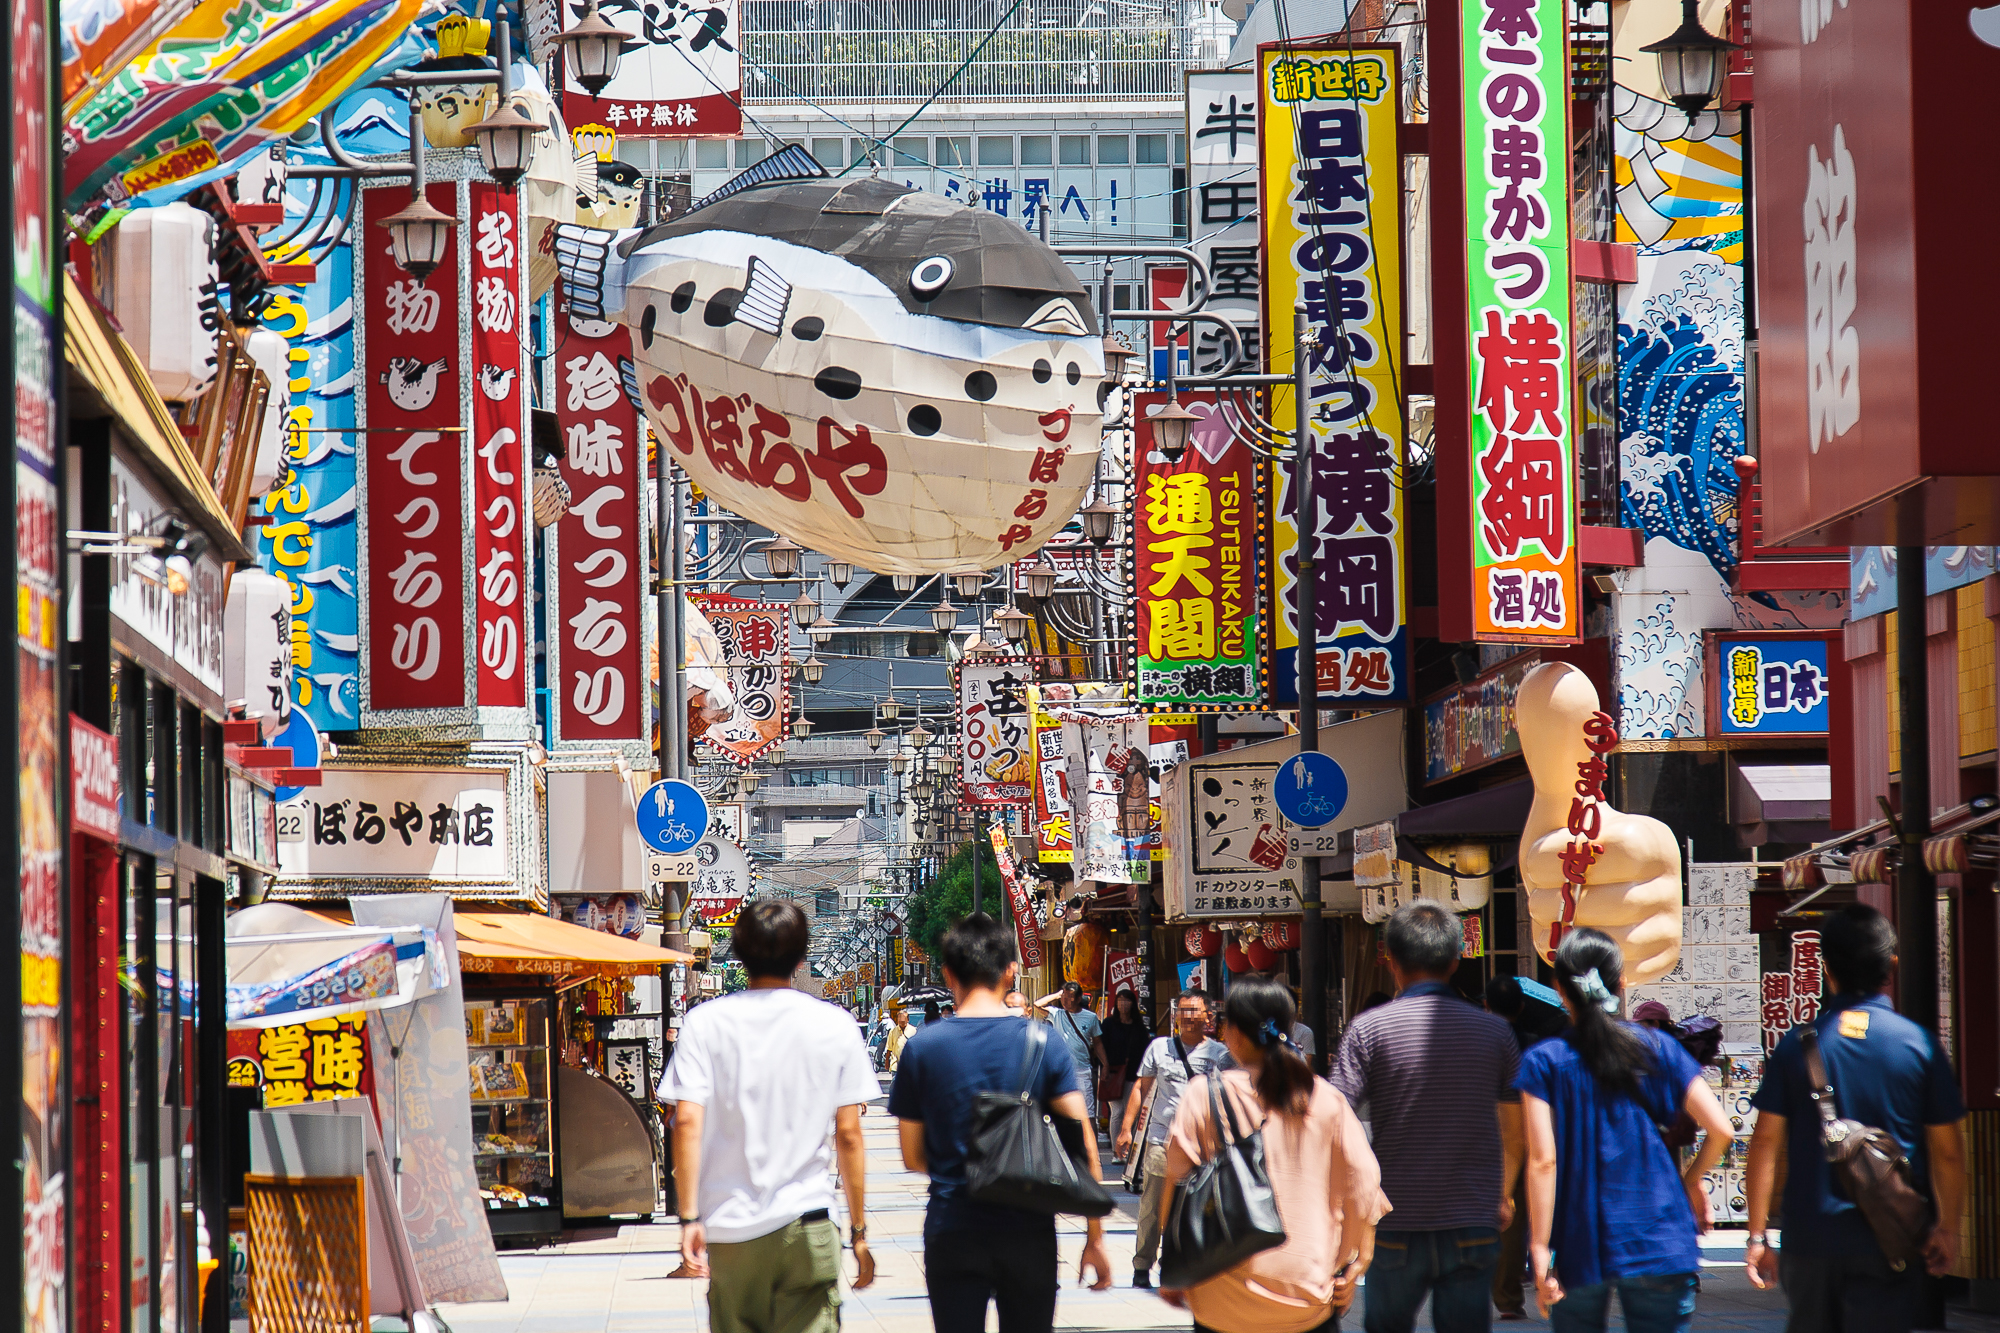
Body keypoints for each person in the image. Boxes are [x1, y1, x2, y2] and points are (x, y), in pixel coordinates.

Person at [1744, 905, 1967, 1333]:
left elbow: (1765, 1142)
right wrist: (1948, 1228)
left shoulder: (1797, 1046)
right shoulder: (1918, 1045)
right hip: (1892, 1237)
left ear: (1826, 968)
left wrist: (1757, 1236)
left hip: (1810, 1239)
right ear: (1892, 966)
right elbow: (1949, 1153)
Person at [661, 899, 879, 1333]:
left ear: (740, 953)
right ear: (801, 958)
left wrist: (688, 1218)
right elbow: (849, 1134)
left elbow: (685, 1121)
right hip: (808, 1220)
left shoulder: (705, 1022)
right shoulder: (835, 1024)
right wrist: (858, 1232)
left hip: (731, 1228)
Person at [888, 913, 1113, 1333]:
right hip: (1028, 1228)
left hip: (953, 1225)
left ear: (948, 973)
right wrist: (1094, 1237)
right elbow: (1082, 1143)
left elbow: (913, 1155)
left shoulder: (922, 1048)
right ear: (1011, 971)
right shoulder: (1043, 1042)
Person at [1517, 928, 1734, 1333]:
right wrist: (1691, 1181)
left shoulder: (1544, 1061)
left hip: (1580, 1241)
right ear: (1621, 983)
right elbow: (1721, 1130)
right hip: (1659, 1235)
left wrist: (1540, 1246)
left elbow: (1544, 1161)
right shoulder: (1659, 1047)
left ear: (1559, 989)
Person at [1330, 901, 1522, 1333]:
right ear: (1455, 961)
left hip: (1395, 1219)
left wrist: (1349, 1201)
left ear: (1392, 962)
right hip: (1473, 1216)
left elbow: (1334, 1117)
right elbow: (1515, 1132)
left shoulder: (1368, 1030)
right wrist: (1504, 1195)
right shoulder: (1496, 1032)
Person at [1157, 975, 1386, 1333]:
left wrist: (1173, 1263)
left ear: (1232, 1032)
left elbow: (1176, 1182)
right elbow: (1365, 1182)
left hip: (1221, 1297)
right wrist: (1356, 1261)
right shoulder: (1326, 1098)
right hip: (1308, 1297)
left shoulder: (1203, 1094)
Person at [1116, 991, 1232, 1290]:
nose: (1187, 1017)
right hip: (1161, 1140)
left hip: (1202, 1145)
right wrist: (1126, 1129)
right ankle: (1142, 1265)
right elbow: (1141, 1088)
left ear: (1208, 1016)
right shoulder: (1159, 1047)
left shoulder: (1220, 1054)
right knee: (1152, 1205)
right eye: (1182, 1011)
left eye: (1193, 1011)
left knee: (1196, 1206)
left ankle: (1184, 1264)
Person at [1046, 982, 1108, 1126]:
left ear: (1079, 998)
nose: (1065, 1000)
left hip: (1082, 1071)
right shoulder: (1057, 1014)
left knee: (1088, 1113)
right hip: (1061, 1071)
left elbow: (1098, 1043)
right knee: (1061, 1112)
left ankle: (1091, 1139)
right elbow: (1037, 1004)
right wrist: (1057, 995)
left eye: (1070, 997)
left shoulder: (1091, 1017)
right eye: (1063, 996)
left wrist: (1105, 1064)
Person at [1099, 989, 1151, 1154]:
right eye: (1120, 1000)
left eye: (1127, 1000)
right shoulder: (1108, 1024)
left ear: (1133, 1004)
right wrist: (1104, 1066)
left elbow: (1145, 1050)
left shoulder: (1138, 1027)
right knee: (1117, 1112)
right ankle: (1117, 1150)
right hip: (1113, 1074)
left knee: (1132, 1113)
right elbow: (1101, 1047)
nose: (1123, 1004)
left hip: (1133, 1075)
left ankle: (1129, 1150)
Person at [885, 1003, 913, 1073]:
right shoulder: (893, 1031)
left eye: (904, 1019)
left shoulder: (913, 1031)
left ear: (907, 1020)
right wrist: (887, 1061)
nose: (902, 1021)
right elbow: (889, 1048)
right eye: (900, 1019)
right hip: (896, 1066)